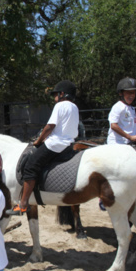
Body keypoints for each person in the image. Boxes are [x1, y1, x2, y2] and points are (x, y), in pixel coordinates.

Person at [13, 80, 79, 213]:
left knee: (31, 166)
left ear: (62, 94)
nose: (54, 98)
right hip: (69, 144)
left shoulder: (60, 106)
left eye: (55, 94)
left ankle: (23, 203)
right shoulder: (74, 107)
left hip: (56, 144)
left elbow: (50, 126)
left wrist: (39, 140)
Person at [107, 77, 136, 145]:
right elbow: (113, 125)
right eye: (129, 93)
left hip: (129, 143)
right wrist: (130, 137)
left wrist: (135, 138)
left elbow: (132, 128)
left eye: (133, 93)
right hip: (117, 143)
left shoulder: (132, 109)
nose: (131, 95)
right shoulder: (117, 106)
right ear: (121, 93)